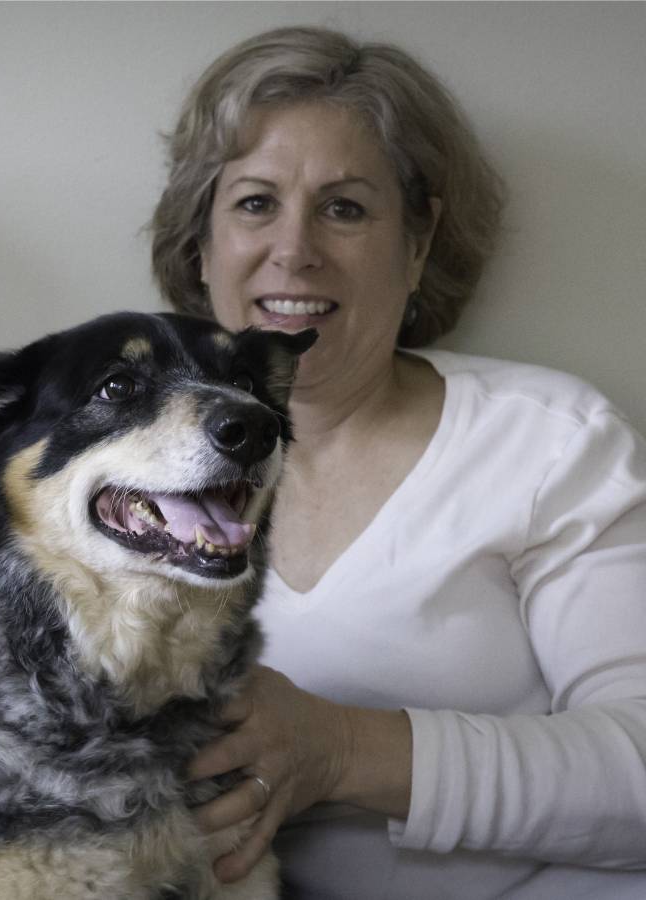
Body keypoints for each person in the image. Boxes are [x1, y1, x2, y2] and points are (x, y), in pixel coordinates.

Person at [151, 25, 646, 900]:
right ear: (200, 245)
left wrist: (337, 748)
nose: (294, 250)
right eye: (255, 203)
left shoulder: (546, 440)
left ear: (418, 245)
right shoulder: (109, 478)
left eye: (345, 207)